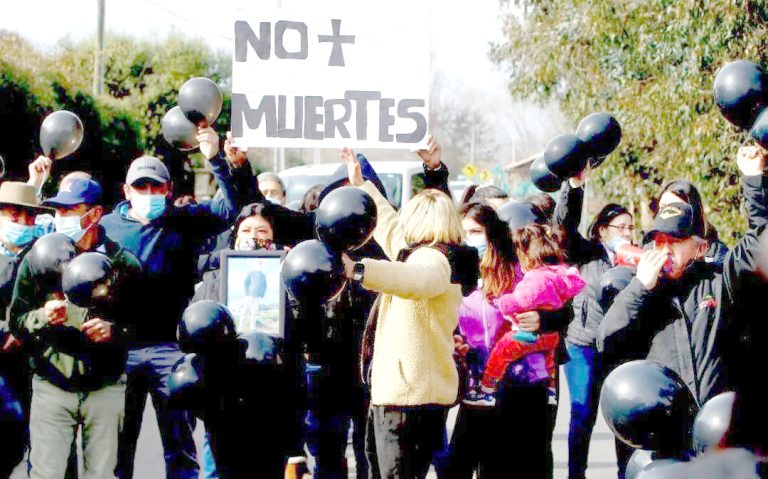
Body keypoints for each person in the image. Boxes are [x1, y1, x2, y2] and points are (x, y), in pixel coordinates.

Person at [100, 126, 251, 479]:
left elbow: (228, 208)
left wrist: (215, 158)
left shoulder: (182, 221)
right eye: (141, 187)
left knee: (180, 446)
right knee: (119, 447)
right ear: (126, 190)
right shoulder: (105, 228)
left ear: (168, 190)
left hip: (171, 348)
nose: (149, 193)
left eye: (156, 186)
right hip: (120, 348)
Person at [598, 144, 768, 407]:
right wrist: (640, 287)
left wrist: (754, 179)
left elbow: (759, 243)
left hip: (720, 429)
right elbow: (606, 341)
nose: (664, 250)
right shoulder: (643, 291)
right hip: (667, 431)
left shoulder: (720, 282)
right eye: (658, 241)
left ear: (700, 248)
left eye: (674, 241)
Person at [339, 147, 465, 479]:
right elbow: (389, 226)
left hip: (408, 404)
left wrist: (358, 270)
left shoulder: (435, 261)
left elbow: (415, 279)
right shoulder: (420, 254)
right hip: (401, 398)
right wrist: (363, 186)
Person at [9, 178, 143, 479]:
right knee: (48, 473)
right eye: (58, 210)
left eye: (71, 210)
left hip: (105, 386)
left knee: (102, 473)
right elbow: (17, 319)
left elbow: (143, 327)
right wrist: (43, 316)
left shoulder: (123, 264)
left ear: (94, 215)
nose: (62, 218)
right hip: (52, 383)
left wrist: (115, 331)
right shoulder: (39, 258)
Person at [448, 203, 571, 479]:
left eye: (476, 231)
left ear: (492, 233)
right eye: (464, 233)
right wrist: (454, 342)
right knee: (457, 466)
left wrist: (543, 320)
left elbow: (562, 308)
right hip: (476, 391)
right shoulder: (455, 274)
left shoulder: (519, 269)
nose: (470, 239)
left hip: (522, 391)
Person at [191, 202, 305, 479]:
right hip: (227, 391)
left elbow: (301, 327)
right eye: (247, 229)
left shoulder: (288, 275)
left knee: (271, 469)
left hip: (275, 390)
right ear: (234, 235)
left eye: (262, 230)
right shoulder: (214, 277)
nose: (255, 236)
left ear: (274, 238)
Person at [554, 170, 636, 479]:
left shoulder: (636, 259)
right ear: (602, 230)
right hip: (583, 343)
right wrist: (574, 186)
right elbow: (564, 225)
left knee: (623, 414)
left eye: (631, 227)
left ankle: (625, 473)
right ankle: (576, 474)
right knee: (583, 412)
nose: (627, 233)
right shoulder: (584, 252)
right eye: (621, 227)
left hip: (618, 348)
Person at [466, 224, 585, 407]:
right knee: (549, 363)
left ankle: (487, 388)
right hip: (551, 338)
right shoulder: (559, 273)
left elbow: (523, 300)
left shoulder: (535, 277)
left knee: (503, 351)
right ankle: (551, 390)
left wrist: (504, 303)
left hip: (529, 336)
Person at [0, 181, 52, 474]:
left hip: (36, 361)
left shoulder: (44, 256)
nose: (22, 222)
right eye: (13, 215)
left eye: (28, 216)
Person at [652, 180, 729, 268]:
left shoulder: (716, 253)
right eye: (663, 207)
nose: (669, 213)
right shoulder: (649, 247)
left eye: (677, 208)